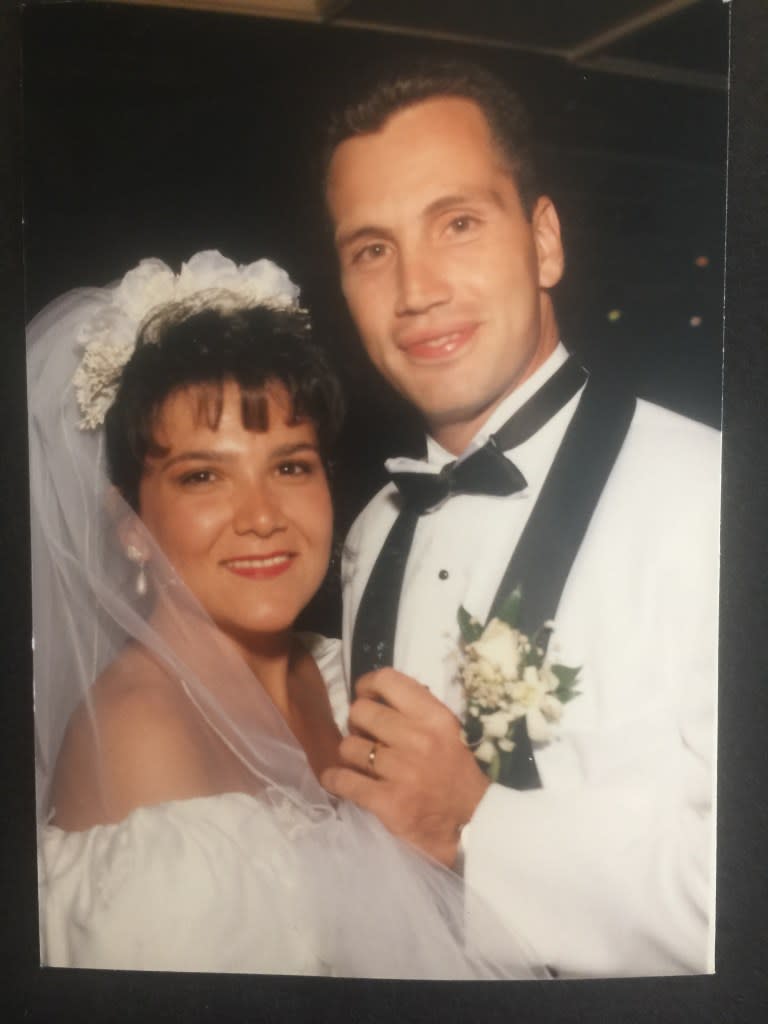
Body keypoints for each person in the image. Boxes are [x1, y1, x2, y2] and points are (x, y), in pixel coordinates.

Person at [30, 250, 540, 978]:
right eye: (203, 476)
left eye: (290, 465)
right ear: (130, 527)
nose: (263, 516)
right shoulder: (140, 733)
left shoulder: (342, 667)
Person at [319, 59, 719, 977]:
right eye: (371, 249)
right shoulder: (370, 529)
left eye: (457, 223)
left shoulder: (713, 496)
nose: (415, 290)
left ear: (543, 242)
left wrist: (478, 825)